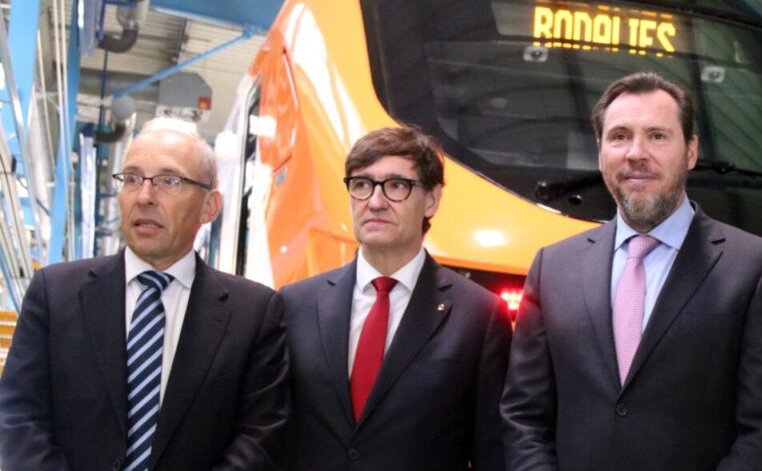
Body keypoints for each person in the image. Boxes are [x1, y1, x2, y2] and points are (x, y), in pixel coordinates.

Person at [501, 71, 762, 470]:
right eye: (619, 136)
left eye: (657, 136)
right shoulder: (553, 267)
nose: (635, 153)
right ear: (600, 151)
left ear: (691, 151)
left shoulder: (756, 269)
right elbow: (523, 415)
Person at [0, 117, 289, 471]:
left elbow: (260, 436)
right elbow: (18, 417)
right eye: (132, 179)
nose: (145, 197)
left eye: (170, 181)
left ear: (209, 206)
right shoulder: (55, 293)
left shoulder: (254, 313)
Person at [280, 125, 512, 471]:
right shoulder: (295, 304)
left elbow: (492, 450)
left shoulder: (478, 314)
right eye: (361, 185)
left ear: (431, 200)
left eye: (396, 186)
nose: (375, 201)